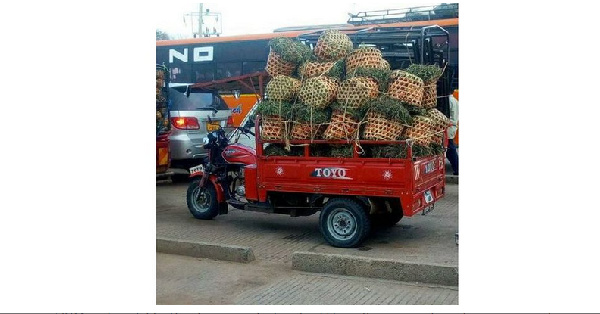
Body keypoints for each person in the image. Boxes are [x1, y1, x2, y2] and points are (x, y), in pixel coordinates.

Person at [446, 90, 459, 175]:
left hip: (449, 127)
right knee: (449, 149)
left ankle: (457, 168)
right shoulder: (454, 100)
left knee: (450, 148)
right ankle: (456, 167)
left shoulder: (449, 101)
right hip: (452, 126)